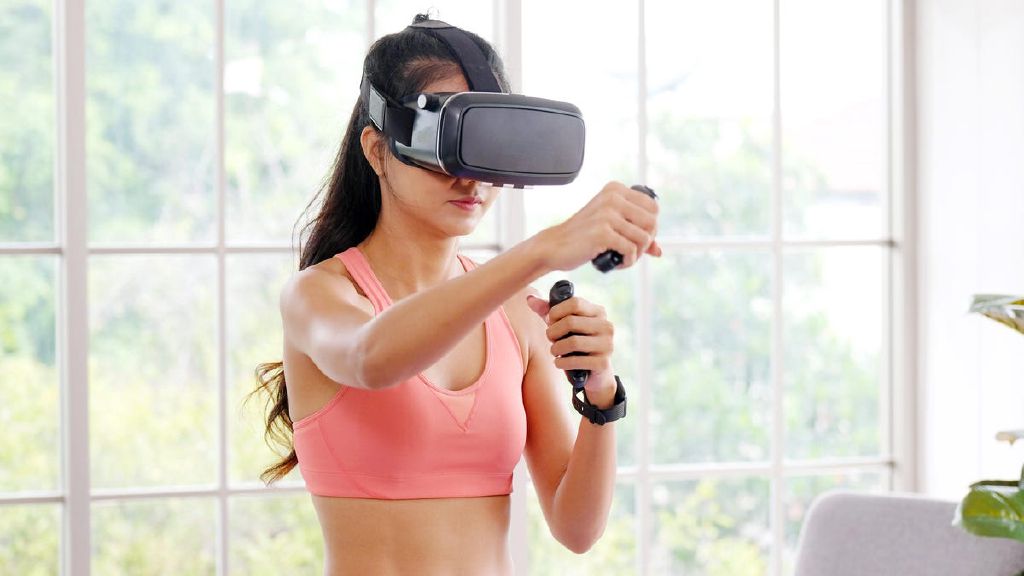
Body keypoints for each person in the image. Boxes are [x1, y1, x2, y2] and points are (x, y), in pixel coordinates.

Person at [253, 14, 661, 575]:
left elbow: (577, 528)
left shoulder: (518, 313)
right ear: (377, 150)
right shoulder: (318, 295)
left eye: (485, 147)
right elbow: (372, 358)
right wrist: (542, 249)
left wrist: (600, 395)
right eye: (446, 145)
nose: (470, 178)